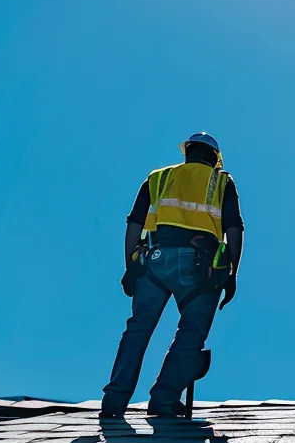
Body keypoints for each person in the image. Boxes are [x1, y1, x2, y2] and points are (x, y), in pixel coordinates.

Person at [101, 132, 243, 418]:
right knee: (191, 333)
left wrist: (130, 265)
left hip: (154, 261)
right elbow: (234, 229)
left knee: (138, 330)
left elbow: (134, 224)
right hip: (199, 267)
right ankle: (164, 399)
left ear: (187, 152)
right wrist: (231, 273)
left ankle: (114, 401)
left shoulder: (158, 178)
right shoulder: (221, 181)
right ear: (215, 159)